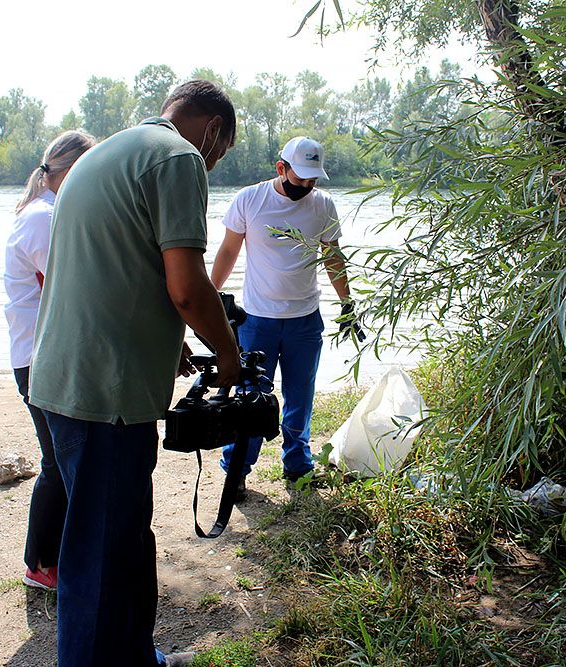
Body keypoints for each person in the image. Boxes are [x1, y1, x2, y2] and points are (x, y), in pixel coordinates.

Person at [28, 80, 240, 667]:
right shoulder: (179, 158)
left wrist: (169, 348)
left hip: (63, 379)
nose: (214, 163)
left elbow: (115, 267)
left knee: (119, 541)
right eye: (220, 151)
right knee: (99, 555)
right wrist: (227, 353)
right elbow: (189, 289)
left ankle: (136, 657)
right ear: (214, 130)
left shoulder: (105, 153)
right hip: (105, 394)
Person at [211, 136, 363, 498]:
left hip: (304, 321)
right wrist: (211, 297)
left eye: (313, 178)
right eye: (301, 177)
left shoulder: (323, 205)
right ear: (281, 168)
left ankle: (297, 466)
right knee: (250, 397)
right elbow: (229, 249)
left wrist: (347, 304)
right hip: (257, 321)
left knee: (300, 396)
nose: (307, 185)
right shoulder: (251, 199)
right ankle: (237, 470)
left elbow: (332, 257)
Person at [2, 129, 96, 591]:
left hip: (42, 354)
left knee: (59, 462)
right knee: (58, 464)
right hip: (40, 358)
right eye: (90, 168)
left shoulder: (47, 212)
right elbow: (73, 282)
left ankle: (48, 561)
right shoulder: (42, 218)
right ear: (71, 171)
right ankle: (41, 564)